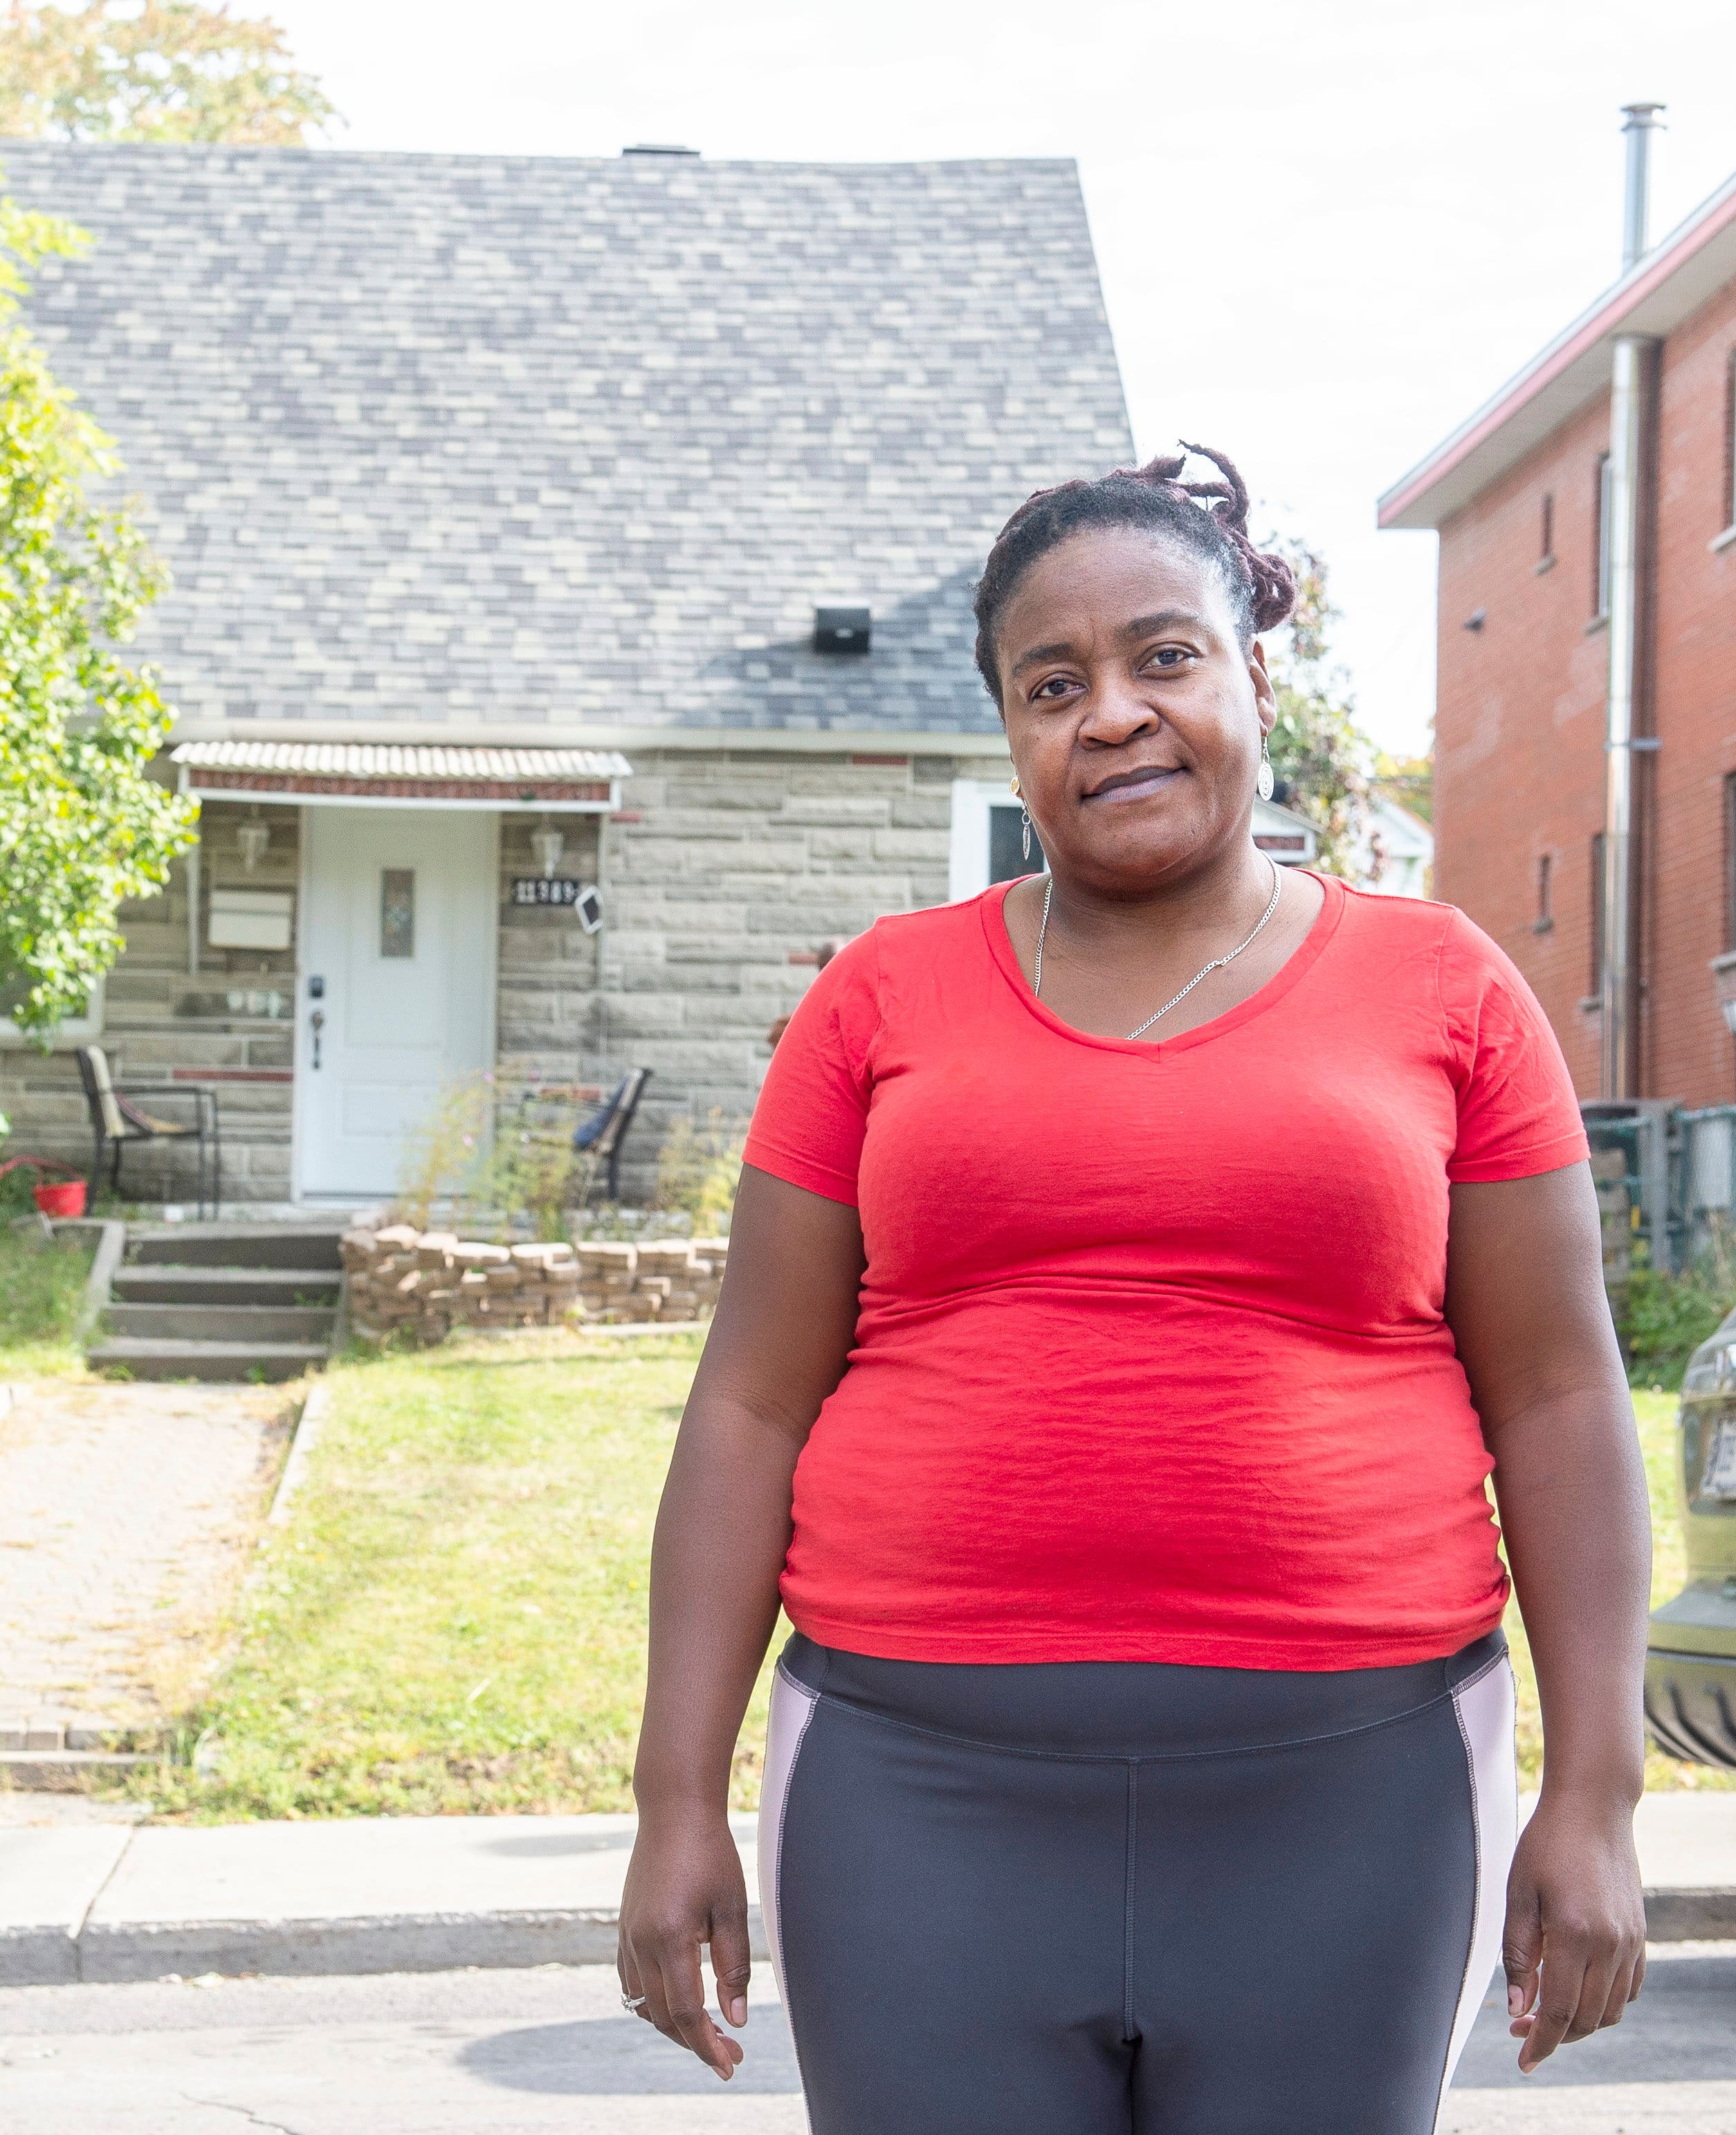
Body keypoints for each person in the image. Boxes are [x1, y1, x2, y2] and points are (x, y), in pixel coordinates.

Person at [616, 445, 1651, 2132]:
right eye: (1052, 682)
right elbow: (746, 1403)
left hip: (1354, 1797)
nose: (1110, 713)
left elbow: (1558, 1393)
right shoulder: (877, 999)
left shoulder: (1445, 985)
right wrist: (674, 1802)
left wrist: (1596, 1796)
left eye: (1162, 656)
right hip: (912, 1791)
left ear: (1255, 669)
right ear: (1009, 730)